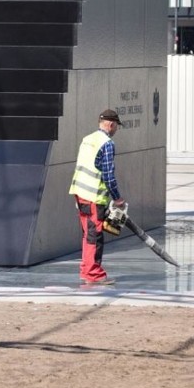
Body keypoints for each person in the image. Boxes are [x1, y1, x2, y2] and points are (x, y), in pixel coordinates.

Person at [69, 109, 125, 285]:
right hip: (94, 196)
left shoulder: (87, 139)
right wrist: (117, 198)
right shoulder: (106, 143)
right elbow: (108, 174)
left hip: (80, 192)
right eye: (116, 126)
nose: (116, 129)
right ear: (111, 124)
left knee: (88, 234)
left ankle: (86, 270)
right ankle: (93, 274)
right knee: (95, 235)